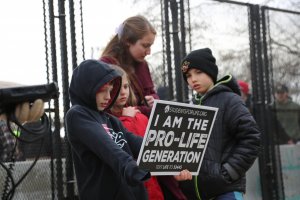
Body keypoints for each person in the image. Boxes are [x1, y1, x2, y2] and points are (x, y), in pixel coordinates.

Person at [65, 60, 191, 200]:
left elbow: (141, 145)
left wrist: (173, 163)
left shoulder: (110, 120)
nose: (107, 96)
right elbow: (111, 150)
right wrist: (135, 169)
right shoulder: (78, 115)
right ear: (87, 88)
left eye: (111, 90)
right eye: (102, 90)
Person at [179, 48, 261, 200]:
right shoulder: (189, 107)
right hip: (194, 194)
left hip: (225, 192)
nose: (193, 79)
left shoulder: (230, 100)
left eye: (198, 72)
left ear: (210, 72)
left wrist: (228, 172)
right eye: (188, 76)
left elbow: (252, 139)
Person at [109, 64, 164, 200]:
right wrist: (126, 120)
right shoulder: (105, 122)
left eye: (126, 86)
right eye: (117, 87)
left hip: (152, 190)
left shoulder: (140, 116)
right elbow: (122, 146)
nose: (123, 92)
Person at [100, 15, 159, 117]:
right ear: (127, 41)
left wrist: (154, 100)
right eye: (145, 46)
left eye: (150, 46)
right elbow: (114, 108)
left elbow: (151, 93)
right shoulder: (107, 66)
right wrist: (146, 110)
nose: (149, 52)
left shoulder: (142, 64)